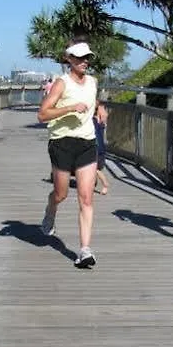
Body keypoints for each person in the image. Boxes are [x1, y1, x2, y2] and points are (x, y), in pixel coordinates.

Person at [37, 41, 98, 268]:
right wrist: (70, 108)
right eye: (80, 58)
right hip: (62, 143)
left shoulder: (93, 82)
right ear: (69, 59)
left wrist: (99, 108)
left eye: (87, 58)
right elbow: (42, 114)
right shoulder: (62, 84)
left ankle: (84, 250)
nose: (84, 62)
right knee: (61, 194)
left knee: (86, 197)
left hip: (87, 143)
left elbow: (91, 99)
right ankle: (50, 209)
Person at [93, 101, 109, 195]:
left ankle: (105, 183)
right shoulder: (100, 119)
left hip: (94, 145)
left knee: (94, 168)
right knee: (96, 167)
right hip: (101, 146)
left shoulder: (91, 120)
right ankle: (92, 183)